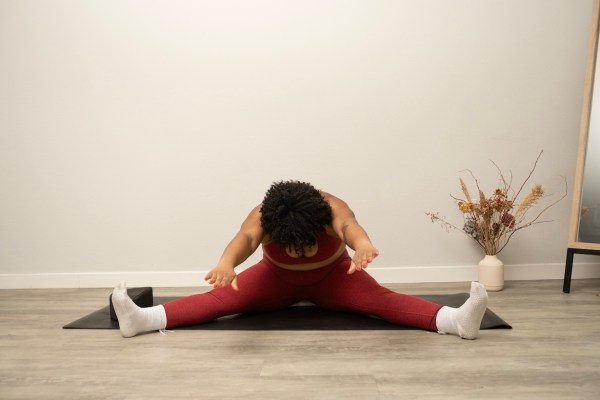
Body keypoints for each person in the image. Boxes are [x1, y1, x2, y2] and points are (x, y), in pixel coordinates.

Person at [112, 180, 488, 339]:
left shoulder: (329, 209)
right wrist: (227, 263)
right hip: (274, 280)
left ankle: (456, 322)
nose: (298, 252)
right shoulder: (265, 215)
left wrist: (363, 246)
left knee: (381, 302)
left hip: (335, 276)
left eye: (305, 245)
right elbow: (245, 238)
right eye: (290, 246)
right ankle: (142, 320)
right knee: (221, 300)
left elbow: (349, 226)